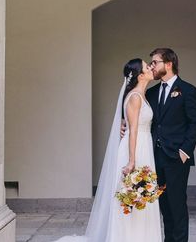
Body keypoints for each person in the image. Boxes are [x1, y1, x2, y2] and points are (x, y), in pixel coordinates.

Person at [55, 58, 162, 242]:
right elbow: (133, 130)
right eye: (147, 66)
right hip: (135, 149)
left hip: (143, 147)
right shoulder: (135, 97)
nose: (151, 68)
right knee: (130, 197)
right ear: (140, 75)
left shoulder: (142, 95)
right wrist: (131, 160)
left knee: (140, 197)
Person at [145, 47, 196, 242]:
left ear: (168, 64)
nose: (152, 66)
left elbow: (195, 124)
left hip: (177, 157)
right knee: (163, 206)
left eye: (155, 62)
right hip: (155, 156)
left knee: (177, 204)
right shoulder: (151, 93)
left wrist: (185, 151)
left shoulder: (188, 90)